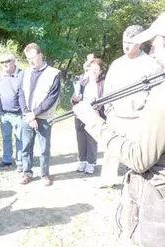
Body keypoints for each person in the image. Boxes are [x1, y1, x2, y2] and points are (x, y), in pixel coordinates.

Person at [73, 13, 165, 247]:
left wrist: (92, 121)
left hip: (157, 199)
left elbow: (140, 159)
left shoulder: (156, 74)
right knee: (116, 160)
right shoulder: (117, 64)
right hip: (118, 119)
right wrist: (109, 115)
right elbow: (109, 93)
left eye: (155, 44)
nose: (155, 51)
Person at [98, 25, 161, 188]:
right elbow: (108, 90)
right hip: (116, 116)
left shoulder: (151, 64)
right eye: (124, 42)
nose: (126, 46)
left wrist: (145, 116)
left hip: (138, 118)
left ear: (139, 43)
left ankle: (135, 184)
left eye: (130, 43)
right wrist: (109, 111)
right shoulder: (117, 64)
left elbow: (155, 94)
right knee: (111, 150)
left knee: (136, 156)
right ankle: (107, 180)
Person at [18, 43, 61, 186]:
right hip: (27, 117)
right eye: (28, 58)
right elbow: (21, 94)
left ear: (41, 55)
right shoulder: (24, 73)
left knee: (44, 148)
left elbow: (52, 98)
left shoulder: (54, 73)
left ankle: (44, 174)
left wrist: (34, 114)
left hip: (44, 118)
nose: (31, 61)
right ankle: (26, 173)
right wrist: (27, 114)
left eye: (33, 57)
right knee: (26, 147)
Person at [72, 58, 105, 174]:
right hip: (80, 113)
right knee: (80, 138)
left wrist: (98, 109)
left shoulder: (102, 83)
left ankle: (91, 163)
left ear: (101, 71)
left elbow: (105, 100)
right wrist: (75, 99)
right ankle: (82, 160)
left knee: (91, 139)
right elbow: (75, 97)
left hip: (93, 114)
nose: (94, 72)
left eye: (97, 70)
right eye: (92, 69)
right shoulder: (83, 80)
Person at [0, 53, 23, 171]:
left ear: (14, 61)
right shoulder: (1, 76)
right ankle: (6, 160)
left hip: (19, 113)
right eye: (2, 62)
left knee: (20, 138)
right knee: (6, 138)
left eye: (7, 61)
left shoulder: (22, 75)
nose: (4, 64)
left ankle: (20, 162)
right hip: (4, 113)